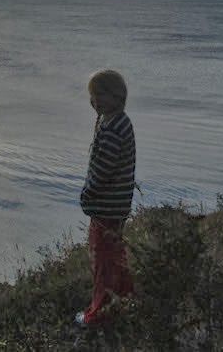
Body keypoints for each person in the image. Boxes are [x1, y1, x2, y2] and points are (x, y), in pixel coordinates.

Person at [76, 69, 136, 326]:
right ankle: (124, 300)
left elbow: (103, 168)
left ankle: (99, 313)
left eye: (99, 95)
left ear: (116, 96)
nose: (94, 101)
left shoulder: (112, 127)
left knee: (102, 260)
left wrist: (88, 193)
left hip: (106, 206)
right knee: (114, 256)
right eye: (92, 96)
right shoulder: (116, 121)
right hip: (116, 205)